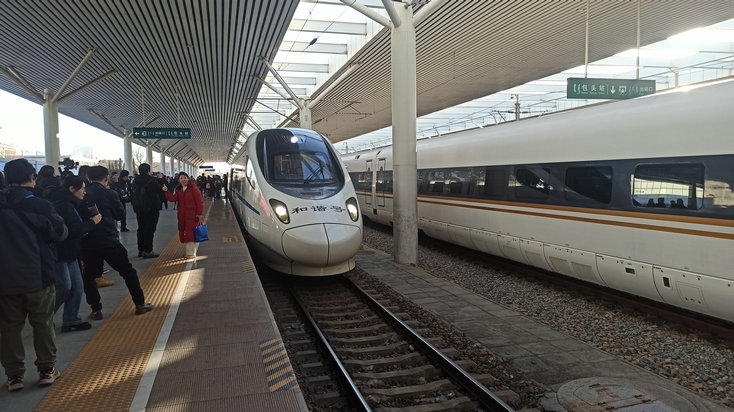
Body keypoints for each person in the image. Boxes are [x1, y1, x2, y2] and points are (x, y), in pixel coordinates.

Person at [0, 158, 68, 391]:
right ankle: (47, 370)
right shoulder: (39, 205)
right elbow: (60, 233)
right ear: (32, 177)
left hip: (5, 280)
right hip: (38, 276)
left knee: (9, 328)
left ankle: (14, 376)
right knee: (43, 323)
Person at [81, 166, 152, 319]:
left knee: (88, 276)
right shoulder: (110, 193)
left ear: (88, 178)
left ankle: (96, 310)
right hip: (109, 240)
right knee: (128, 272)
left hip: (88, 242)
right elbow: (120, 215)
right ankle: (140, 304)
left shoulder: (83, 195)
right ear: (106, 178)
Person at [51, 175, 101, 332]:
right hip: (59, 253)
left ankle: (71, 319)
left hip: (71, 252)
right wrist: (93, 222)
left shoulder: (71, 204)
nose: (84, 192)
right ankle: (44, 317)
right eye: (82, 189)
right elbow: (73, 230)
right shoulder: (62, 205)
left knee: (77, 287)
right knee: (64, 287)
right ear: (72, 189)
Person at [163, 172, 204, 258]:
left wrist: (199, 214)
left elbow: (199, 202)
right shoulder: (179, 190)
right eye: (181, 178)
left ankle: (190, 253)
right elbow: (173, 199)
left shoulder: (194, 189)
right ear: (179, 180)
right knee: (184, 232)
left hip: (192, 215)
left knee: (190, 233)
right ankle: (190, 252)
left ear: (188, 179)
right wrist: (167, 191)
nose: (183, 180)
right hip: (182, 215)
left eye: (185, 177)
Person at [132, 163, 162, 258]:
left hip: (139, 208)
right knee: (150, 229)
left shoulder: (135, 180)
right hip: (151, 208)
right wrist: (160, 179)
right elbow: (160, 190)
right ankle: (148, 250)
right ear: (149, 171)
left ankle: (141, 250)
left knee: (141, 228)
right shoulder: (152, 180)